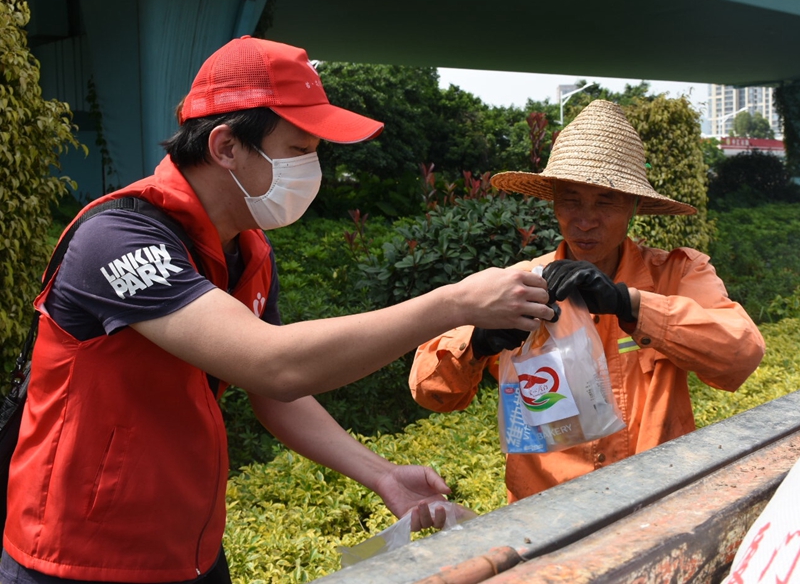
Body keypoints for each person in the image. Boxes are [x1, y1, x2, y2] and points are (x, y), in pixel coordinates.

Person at [1, 37, 555, 583]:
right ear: (225, 146)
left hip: (189, 553)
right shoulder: (118, 239)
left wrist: (384, 476)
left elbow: (275, 394)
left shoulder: (248, 250)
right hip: (77, 560)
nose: (312, 170)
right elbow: (272, 363)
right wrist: (454, 302)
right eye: (298, 150)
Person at [410, 99, 766, 503]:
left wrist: (628, 303)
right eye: (571, 199)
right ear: (554, 202)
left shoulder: (677, 275)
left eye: (605, 202)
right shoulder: (519, 285)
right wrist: (478, 342)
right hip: (546, 518)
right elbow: (430, 391)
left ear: (633, 205)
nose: (585, 219)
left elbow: (740, 356)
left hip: (658, 505)